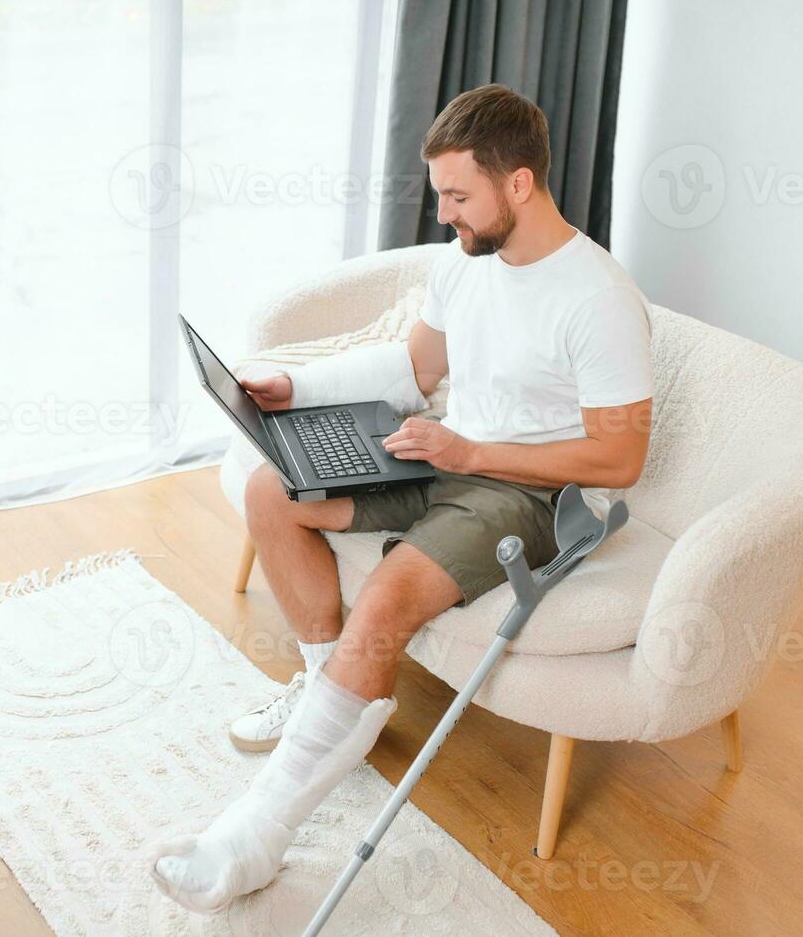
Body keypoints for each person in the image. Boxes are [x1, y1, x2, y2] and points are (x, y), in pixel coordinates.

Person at [147, 83, 654, 914]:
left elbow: (620, 457)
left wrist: (471, 450)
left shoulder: (596, 299)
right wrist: (293, 387)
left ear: (518, 184)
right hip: (448, 458)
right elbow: (418, 372)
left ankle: (256, 834)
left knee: (385, 597)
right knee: (276, 490)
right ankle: (325, 689)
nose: (445, 214)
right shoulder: (464, 264)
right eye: (440, 195)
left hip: (537, 495)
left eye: (458, 196)